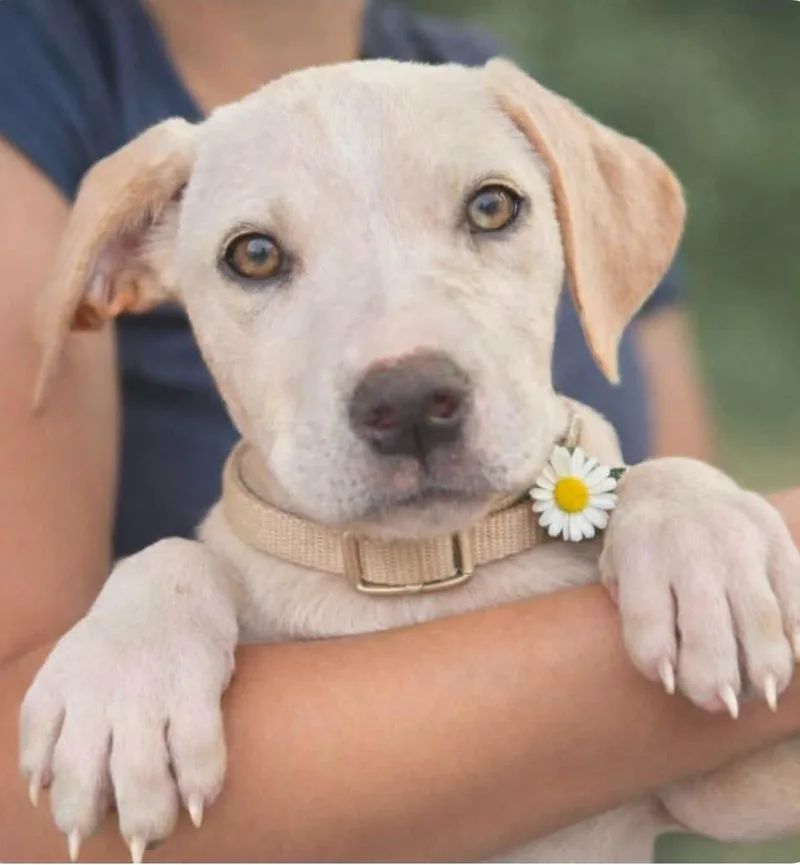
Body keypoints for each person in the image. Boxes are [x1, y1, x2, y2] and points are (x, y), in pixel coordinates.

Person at [0, 0, 791, 861]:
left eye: (489, 211)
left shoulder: (469, 78)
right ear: (119, 261)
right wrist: (157, 597)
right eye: (257, 256)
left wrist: (683, 513)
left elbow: (739, 791)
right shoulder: (43, 64)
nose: (404, 381)